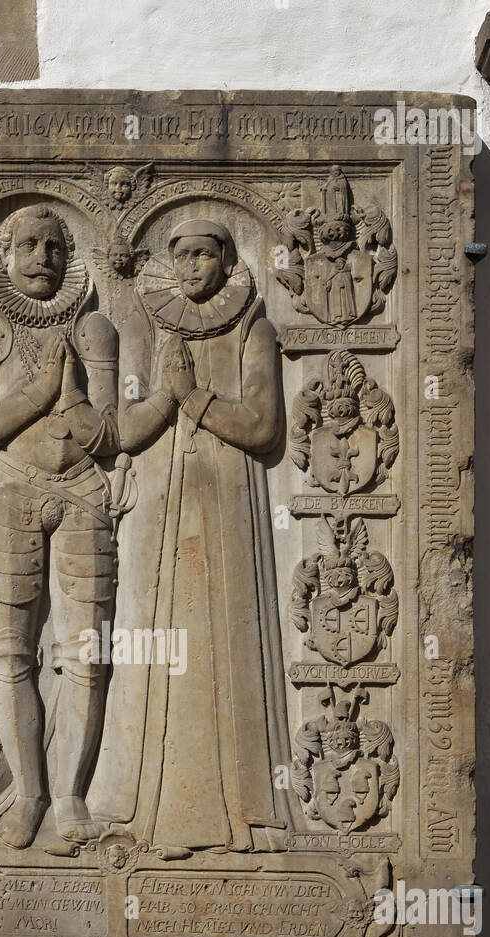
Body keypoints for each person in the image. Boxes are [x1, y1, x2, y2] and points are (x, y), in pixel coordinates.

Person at [88, 217, 296, 852]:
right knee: (151, 640)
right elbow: (117, 427)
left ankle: (243, 812)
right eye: (182, 256)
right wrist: (163, 400)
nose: (192, 267)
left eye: (206, 255)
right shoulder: (144, 324)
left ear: (227, 261)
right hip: (156, 499)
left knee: (226, 639)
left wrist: (195, 398)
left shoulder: (253, 327)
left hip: (228, 497)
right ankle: (145, 811)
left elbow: (261, 425)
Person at [0, 204, 119, 848]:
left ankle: (72, 796)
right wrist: (39, 392)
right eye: (31, 246)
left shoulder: (96, 329)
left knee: (86, 659)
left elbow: (108, 436)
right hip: (11, 494)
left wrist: (69, 399)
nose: (44, 257)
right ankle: (29, 794)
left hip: (82, 495)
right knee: (10, 660)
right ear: (7, 253)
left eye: (55, 247)